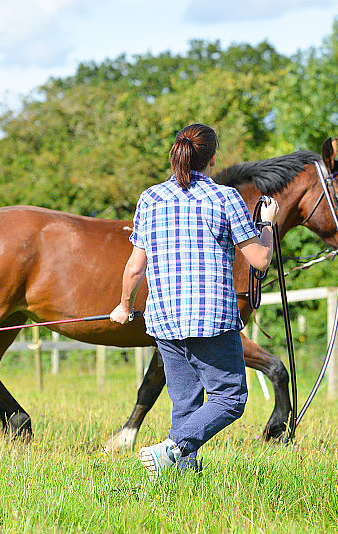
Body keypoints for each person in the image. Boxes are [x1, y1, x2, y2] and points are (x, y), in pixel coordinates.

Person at [110, 123, 279, 478]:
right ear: (212, 159)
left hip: (165, 320)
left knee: (185, 405)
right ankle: (170, 450)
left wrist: (124, 305)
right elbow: (261, 260)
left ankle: (181, 482)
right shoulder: (227, 198)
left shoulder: (151, 198)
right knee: (231, 398)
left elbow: (135, 266)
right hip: (211, 318)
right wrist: (267, 224)